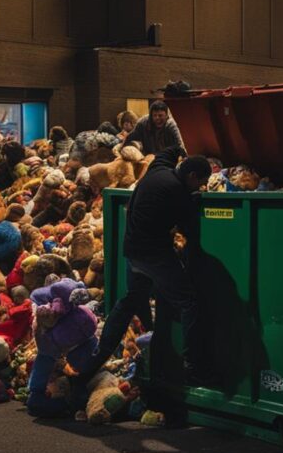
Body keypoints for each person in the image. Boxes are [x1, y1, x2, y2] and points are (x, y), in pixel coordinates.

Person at [78, 145, 215, 385]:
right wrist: (196, 203)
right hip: (155, 255)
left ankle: (95, 361)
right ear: (192, 177)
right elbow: (190, 230)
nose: (200, 187)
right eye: (200, 183)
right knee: (189, 301)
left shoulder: (158, 169)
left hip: (132, 251)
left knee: (131, 299)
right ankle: (193, 366)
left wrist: (181, 149)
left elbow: (166, 152)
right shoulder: (178, 193)